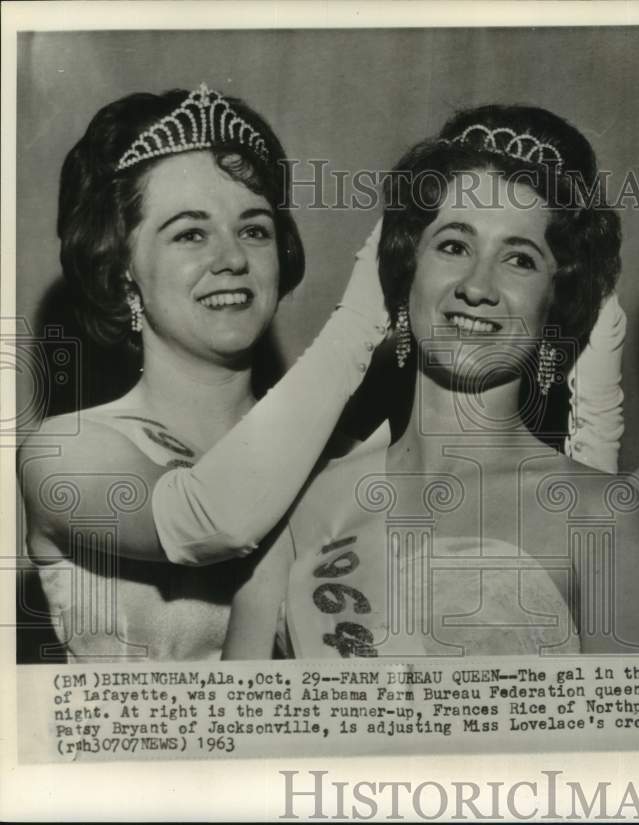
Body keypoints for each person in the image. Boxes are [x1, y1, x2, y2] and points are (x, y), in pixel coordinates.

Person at [225, 105, 639, 658]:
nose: (477, 286)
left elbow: (637, 743)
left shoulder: (601, 515)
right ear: (406, 267)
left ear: (555, 300)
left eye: (520, 259)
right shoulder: (304, 505)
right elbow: (240, 736)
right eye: (454, 246)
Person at [17, 83, 390, 661]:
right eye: (190, 233)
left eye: (254, 229)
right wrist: (362, 319)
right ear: (121, 270)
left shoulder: (351, 460)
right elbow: (210, 519)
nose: (233, 258)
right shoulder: (66, 452)